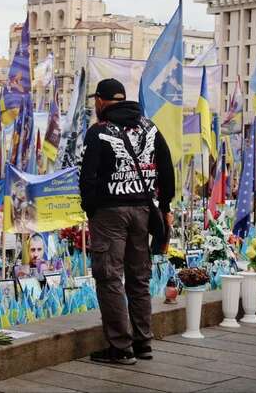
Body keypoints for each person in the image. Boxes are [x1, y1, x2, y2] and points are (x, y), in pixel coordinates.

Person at [79, 78, 174, 365]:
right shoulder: (150, 127)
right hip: (143, 212)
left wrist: (91, 210)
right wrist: (165, 206)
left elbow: (87, 178)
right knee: (139, 278)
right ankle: (143, 343)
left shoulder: (98, 132)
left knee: (109, 278)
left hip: (110, 213)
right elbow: (167, 170)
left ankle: (120, 347)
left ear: (100, 101)